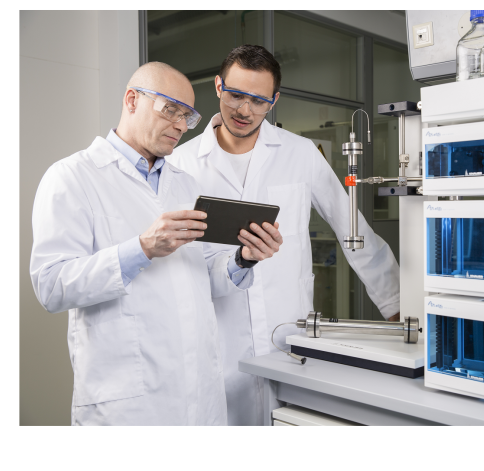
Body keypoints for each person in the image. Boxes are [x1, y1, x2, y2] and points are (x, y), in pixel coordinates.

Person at [30, 61, 283, 426]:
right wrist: (142, 249)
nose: (180, 125)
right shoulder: (72, 177)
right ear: (132, 100)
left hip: (199, 393)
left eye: (187, 116)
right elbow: (51, 286)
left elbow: (202, 279)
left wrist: (243, 258)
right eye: (170, 110)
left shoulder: (185, 184)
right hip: (127, 403)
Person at [168, 45, 401, 426]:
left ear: (274, 101)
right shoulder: (181, 163)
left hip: (288, 332)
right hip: (219, 338)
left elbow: (352, 229)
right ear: (218, 86)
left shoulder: (300, 153)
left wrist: (395, 304)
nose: (245, 110)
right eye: (236, 95)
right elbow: (175, 261)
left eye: (259, 101)